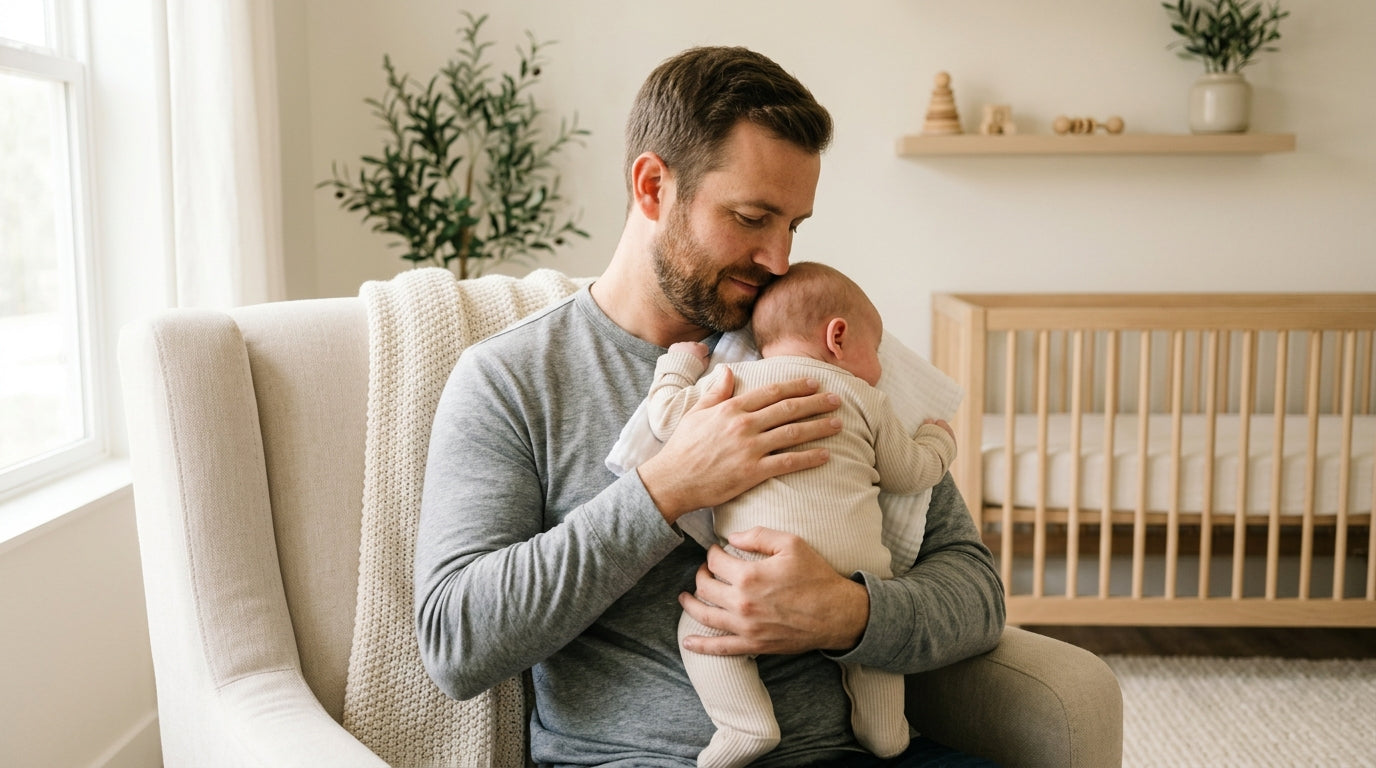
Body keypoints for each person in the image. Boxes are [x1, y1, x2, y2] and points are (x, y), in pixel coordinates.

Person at [415, 45, 1005, 768]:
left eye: (795, 224)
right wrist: (667, 488)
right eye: (753, 217)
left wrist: (847, 612)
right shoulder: (513, 379)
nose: (780, 259)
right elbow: (456, 642)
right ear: (653, 186)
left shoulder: (826, 347)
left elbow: (977, 593)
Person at [645, 261, 958, 767]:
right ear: (838, 336)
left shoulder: (733, 381)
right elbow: (911, 473)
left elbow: (664, 418)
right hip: (859, 567)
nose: (879, 367)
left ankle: (746, 726)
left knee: (701, 635)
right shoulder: (867, 398)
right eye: (874, 351)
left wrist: (679, 365)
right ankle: (885, 731)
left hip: (755, 561)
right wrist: (939, 439)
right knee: (870, 645)